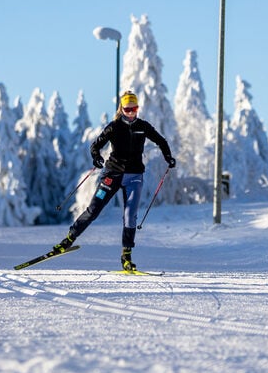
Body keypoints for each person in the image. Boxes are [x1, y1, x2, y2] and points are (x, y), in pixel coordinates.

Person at [52, 90, 176, 270]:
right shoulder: (114, 127)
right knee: (94, 210)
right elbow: (95, 145)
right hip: (112, 175)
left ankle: (126, 256)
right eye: (127, 109)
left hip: (134, 177)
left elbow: (161, 141)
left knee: (130, 215)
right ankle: (68, 239)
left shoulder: (143, 126)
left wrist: (168, 157)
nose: (131, 112)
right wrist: (96, 158)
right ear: (122, 109)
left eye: (134, 108)